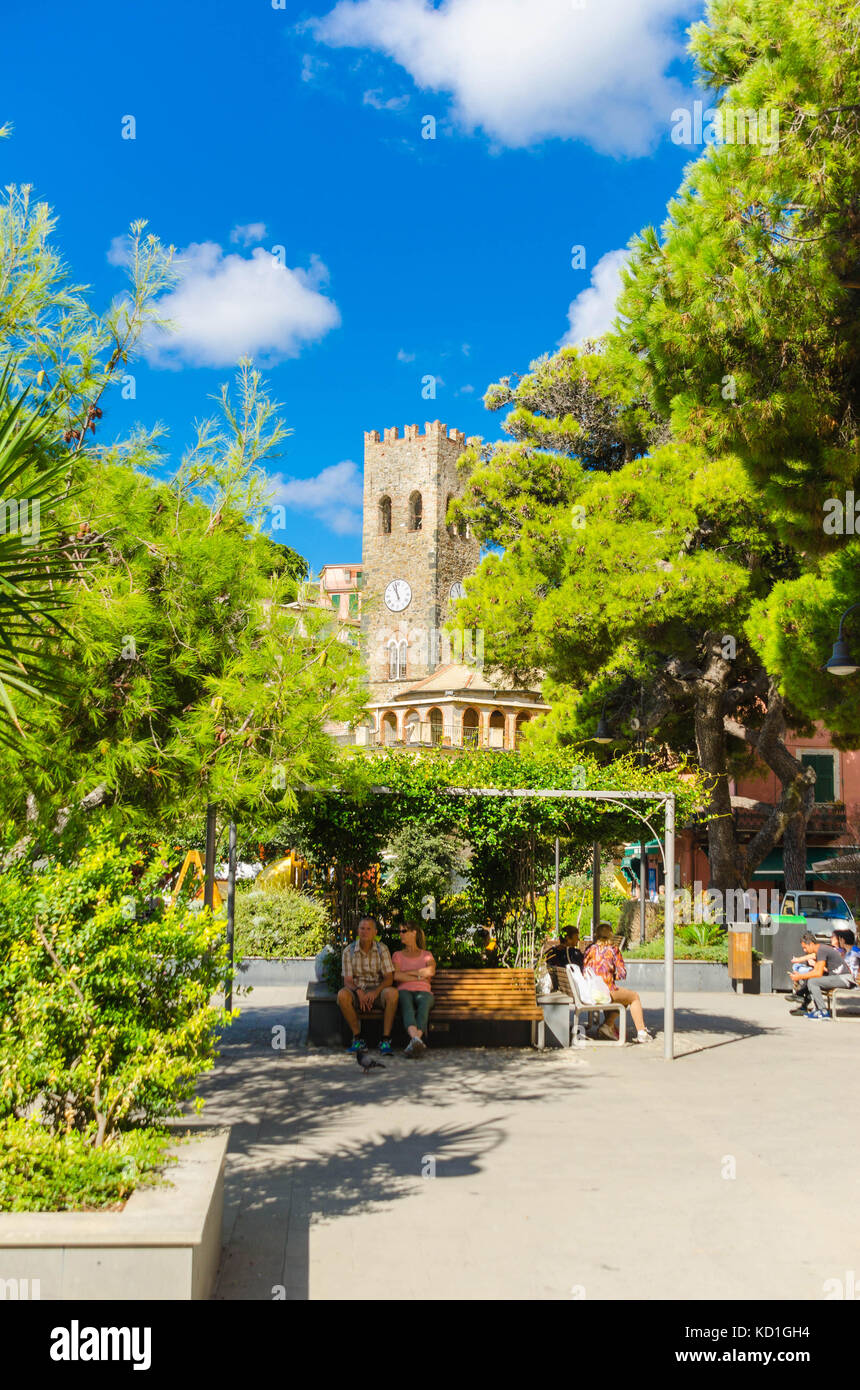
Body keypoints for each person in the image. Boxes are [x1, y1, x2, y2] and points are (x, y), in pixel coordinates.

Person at [583, 920, 653, 1043]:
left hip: (589, 991)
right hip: (605, 991)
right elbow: (622, 974)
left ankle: (607, 1025)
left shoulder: (589, 949)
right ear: (610, 935)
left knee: (622, 997)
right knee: (633, 997)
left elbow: (585, 969)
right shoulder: (613, 950)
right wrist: (611, 973)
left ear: (596, 935)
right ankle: (642, 1032)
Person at [337, 916, 398, 1054]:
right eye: (362, 928)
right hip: (357, 989)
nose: (365, 932)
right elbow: (347, 980)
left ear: (375, 932)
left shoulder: (383, 949)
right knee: (342, 995)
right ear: (358, 931)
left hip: (377, 990)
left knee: (393, 994)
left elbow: (389, 978)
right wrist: (359, 992)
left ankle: (385, 1040)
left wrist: (375, 992)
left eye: (368, 929)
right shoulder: (349, 951)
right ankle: (358, 1039)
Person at [392, 921, 436, 1057]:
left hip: (425, 992)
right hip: (404, 990)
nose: (401, 934)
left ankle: (415, 1040)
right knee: (407, 1007)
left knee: (423, 1008)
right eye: (399, 931)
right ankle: (416, 1039)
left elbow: (431, 971)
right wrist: (419, 976)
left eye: (404, 931)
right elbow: (397, 975)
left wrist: (409, 973)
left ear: (414, 933)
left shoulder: (426, 954)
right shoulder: (397, 955)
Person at [790, 927, 854, 1019]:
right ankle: (816, 1009)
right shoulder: (820, 949)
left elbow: (818, 973)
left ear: (811, 944)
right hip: (837, 977)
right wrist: (801, 976)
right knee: (811, 980)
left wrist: (799, 976)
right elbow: (815, 971)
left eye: (805, 947)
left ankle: (823, 1011)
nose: (805, 950)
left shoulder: (822, 950)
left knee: (813, 981)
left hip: (844, 978)